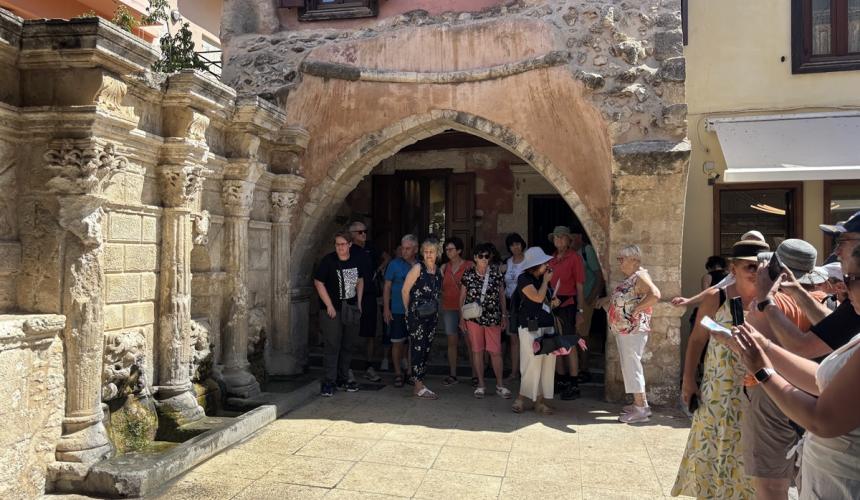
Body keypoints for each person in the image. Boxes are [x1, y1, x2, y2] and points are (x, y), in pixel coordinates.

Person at [671, 239, 769, 498]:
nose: (755, 272)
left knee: (749, 454)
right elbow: (697, 340)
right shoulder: (717, 298)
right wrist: (688, 380)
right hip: (718, 391)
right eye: (749, 266)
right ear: (733, 269)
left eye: (760, 267)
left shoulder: (771, 300)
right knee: (714, 447)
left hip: (758, 392)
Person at [596, 244, 661, 423]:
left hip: (632, 330)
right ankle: (640, 404)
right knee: (630, 366)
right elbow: (626, 297)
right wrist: (607, 300)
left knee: (632, 367)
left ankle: (641, 409)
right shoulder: (632, 277)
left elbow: (655, 294)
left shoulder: (640, 275)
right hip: (626, 330)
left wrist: (637, 310)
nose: (619, 262)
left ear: (634, 260)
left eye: (622, 259)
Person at [313, 231, 364, 397]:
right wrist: (329, 305)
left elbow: (360, 280)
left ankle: (344, 378)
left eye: (343, 244)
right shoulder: (328, 261)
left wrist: (359, 302)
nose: (340, 247)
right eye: (337, 244)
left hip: (350, 308)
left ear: (350, 245)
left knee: (348, 345)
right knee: (332, 345)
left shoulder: (355, 260)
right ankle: (329, 381)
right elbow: (318, 282)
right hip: (332, 310)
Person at [511, 247, 560, 415]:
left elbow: (545, 299)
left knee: (546, 365)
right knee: (530, 363)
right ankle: (520, 399)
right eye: (544, 263)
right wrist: (546, 282)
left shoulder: (543, 279)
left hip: (546, 325)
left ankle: (540, 402)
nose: (547, 266)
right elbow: (537, 297)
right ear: (536, 264)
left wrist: (554, 300)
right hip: (529, 326)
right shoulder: (524, 279)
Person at [459, 242, 511, 399]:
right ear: (475, 257)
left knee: (495, 352)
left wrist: (504, 315)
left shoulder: (496, 274)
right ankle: (481, 385)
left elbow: (502, 296)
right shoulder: (468, 274)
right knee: (477, 351)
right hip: (473, 319)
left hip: (493, 318)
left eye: (486, 256)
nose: (483, 259)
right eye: (480, 256)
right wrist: (461, 318)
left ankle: (500, 385)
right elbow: (462, 297)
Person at [547, 226, 585, 400]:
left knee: (569, 343)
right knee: (556, 343)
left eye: (562, 237)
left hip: (568, 304)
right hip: (553, 304)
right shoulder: (551, 260)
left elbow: (579, 286)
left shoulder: (575, 258)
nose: (559, 240)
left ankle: (574, 383)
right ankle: (561, 380)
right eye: (556, 237)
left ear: (569, 240)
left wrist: (580, 310)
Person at [402, 238, 443, 400]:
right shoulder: (418, 268)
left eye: (431, 252)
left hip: (431, 314)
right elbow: (405, 291)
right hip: (417, 315)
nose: (428, 255)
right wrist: (408, 311)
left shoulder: (438, 271)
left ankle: (420, 382)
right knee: (418, 348)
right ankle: (418, 386)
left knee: (426, 348)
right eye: (425, 252)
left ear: (437, 253)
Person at [348, 221, 383, 383]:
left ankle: (369, 366)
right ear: (352, 235)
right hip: (353, 296)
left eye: (365, 231)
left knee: (370, 332)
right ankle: (347, 367)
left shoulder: (370, 248)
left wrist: (378, 271)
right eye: (360, 232)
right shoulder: (348, 251)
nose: (364, 234)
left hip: (369, 295)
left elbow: (386, 258)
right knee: (349, 332)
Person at [383, 236, 418, 388]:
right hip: (397, 310)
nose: (404, 251)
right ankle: (398, 373)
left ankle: (410, 373)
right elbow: (387, 287)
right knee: (397, 343)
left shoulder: (420, 265)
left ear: (415, 249)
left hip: (416, 312)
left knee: (412, 343)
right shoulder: (393, 264)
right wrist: (386, 308)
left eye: (408, 248)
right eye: (403, 248)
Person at [440, 236, 474, 387]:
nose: (448, 251)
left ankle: (475, 375)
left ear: (459, 250)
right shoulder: (444, 267)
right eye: (446, 249)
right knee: (451, 342)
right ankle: (453, 374)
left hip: (467, 309)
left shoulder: (469, 265)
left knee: (471, 343)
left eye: (451, 249)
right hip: (449, 307)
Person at [574, 231, 604, 382]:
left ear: (579, 236)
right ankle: (578, 368)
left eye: (572, 236)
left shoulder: (587, 251)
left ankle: (584, 369)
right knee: (576, 334)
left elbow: (599, 276)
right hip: (575, 300)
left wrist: (590, 297)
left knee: (582, 335)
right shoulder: (572, 253)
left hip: (585, 300)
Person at [503, 233, 527, 381]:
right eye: (512, 245)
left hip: (525, 303)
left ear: (522, 244)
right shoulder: (508, 262)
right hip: (509, 303)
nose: (515, 247)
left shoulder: (528, 261)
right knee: (513, 339)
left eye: (517, 243)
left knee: (526, 339)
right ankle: (514, 372)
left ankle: (527, 372)